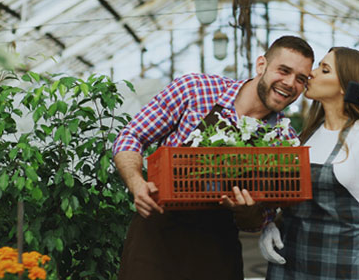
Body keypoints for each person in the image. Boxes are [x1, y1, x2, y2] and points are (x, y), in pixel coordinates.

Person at [112, 35, 314, 280]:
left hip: (216, 252)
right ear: (261, 65)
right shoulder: (196, 89)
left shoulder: (283, 140)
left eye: (300, 79)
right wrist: (136, 183)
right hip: (156, 240)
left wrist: (247, 211)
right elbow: (132, 136)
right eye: (284, 70)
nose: (290, 83)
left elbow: (259, 220)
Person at [259, 47, 359, 280]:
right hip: (289, 260)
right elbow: (295, 199)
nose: (311, 73)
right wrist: (270, 223)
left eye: (324, 69)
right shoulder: (304, 136)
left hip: (339, 265)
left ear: (345, 86)